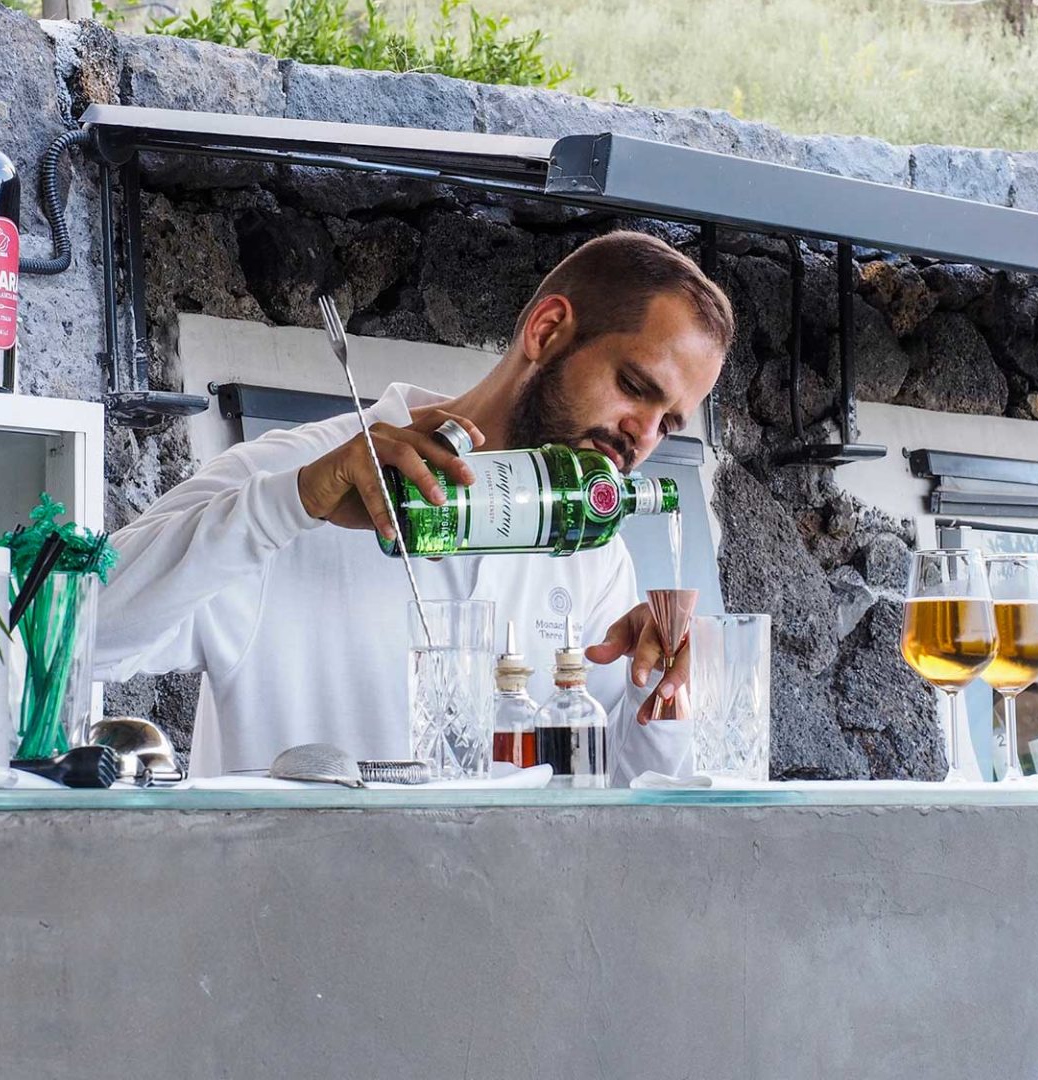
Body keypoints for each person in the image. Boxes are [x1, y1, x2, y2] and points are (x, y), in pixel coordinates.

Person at [95, 231, 735, 783]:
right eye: (634, 387)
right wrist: (287, 506)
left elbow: (609, 797)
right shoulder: (286, 475)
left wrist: (661, 687)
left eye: (669, 425)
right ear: (547, 331)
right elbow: (74, 637)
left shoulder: (592, 556)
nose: (642, 436)